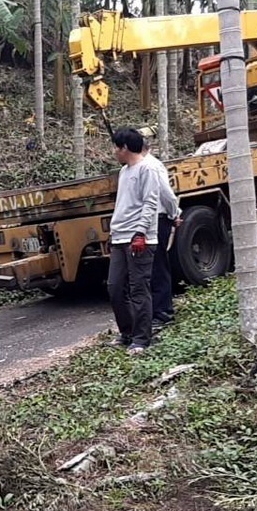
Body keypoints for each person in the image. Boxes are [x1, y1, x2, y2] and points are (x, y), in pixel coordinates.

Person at [107, 127, 160, 354]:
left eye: (116, 147)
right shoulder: (124, 171)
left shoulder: (148, 169)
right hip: (119, 236)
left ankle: (141, 339)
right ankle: (127, 332)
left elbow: (150, 203)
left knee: (139, 288)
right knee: (115, 287)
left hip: (139, 238)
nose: (114, 152)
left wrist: (141, 233)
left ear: (125, 148)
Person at [142, 140, 181, 330]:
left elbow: (167, 194)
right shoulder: (139, 167)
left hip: (158, 219)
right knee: (151, 267)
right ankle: (155, 312)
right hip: (150, 219)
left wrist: (174, 214)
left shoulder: (152, 166)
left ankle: (164, 312)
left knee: (158, 266)